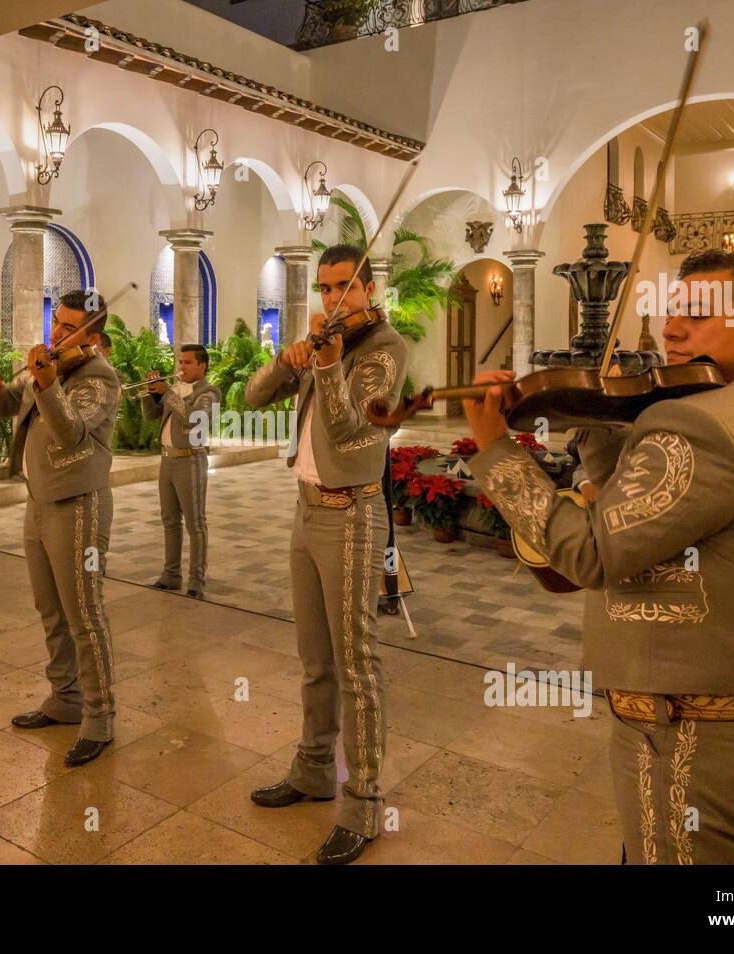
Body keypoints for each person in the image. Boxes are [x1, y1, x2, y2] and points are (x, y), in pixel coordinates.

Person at [464, 249, 734, 864]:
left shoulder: (707, 426)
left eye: (697, 314)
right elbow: (651, 516)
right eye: (671, 312)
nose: (671, 330)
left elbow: (590, 554)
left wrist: (495, 448)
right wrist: (596, 421)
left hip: (690, 738)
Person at [243, 244, 406, 864]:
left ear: (368, 289)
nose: (334, 299)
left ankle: (363, 803)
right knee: (314, 657)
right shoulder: (322, 340)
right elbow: (254, 398)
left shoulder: (384, 348)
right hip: (305, 510)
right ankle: (313, 768)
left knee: (356, 662)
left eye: (346, 287)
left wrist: (331, 365)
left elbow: (348, 428)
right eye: (326, 287)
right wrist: (290, 360)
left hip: (353, 514)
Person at [0, 290, 120, 767]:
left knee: (84, 613)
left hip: (78, 504)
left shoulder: (100, 377)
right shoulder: (49, 368)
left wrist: (48, 384)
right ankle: (65, 697)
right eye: (55, 322)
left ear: (92, 338)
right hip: (38, 501)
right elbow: (9, 409)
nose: (55, 333)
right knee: (50, 610)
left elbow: (71, 433)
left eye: (68, 328)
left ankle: (99, 717)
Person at [142, 345, 221, 599]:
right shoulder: (175, 390)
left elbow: (196, 418)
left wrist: (167, 394)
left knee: (195, 523)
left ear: (202, 365)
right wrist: (149, 392)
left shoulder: (209, 392)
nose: (181, 367)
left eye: (187, 362)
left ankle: (197, 581)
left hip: (191, 461)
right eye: (180, 362)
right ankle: (171, 575)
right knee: (170, 521)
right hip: (168, 461)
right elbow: (151, 416)